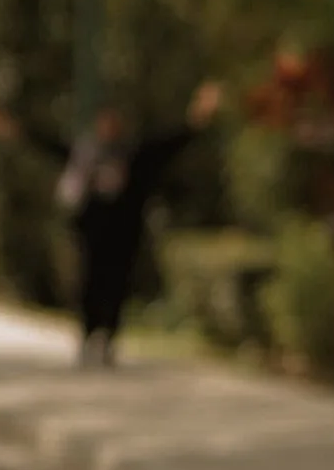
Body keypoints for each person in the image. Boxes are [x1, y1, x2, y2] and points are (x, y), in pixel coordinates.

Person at [56, 80, 223, 363]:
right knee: (89, 285)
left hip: (123, 235)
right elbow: (50, 146)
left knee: (116, 286)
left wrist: (198, 118)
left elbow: (171, 144)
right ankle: (88, 336)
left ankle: (107, 338)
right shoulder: (87, 154)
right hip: (91, 234)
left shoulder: (133, 155)